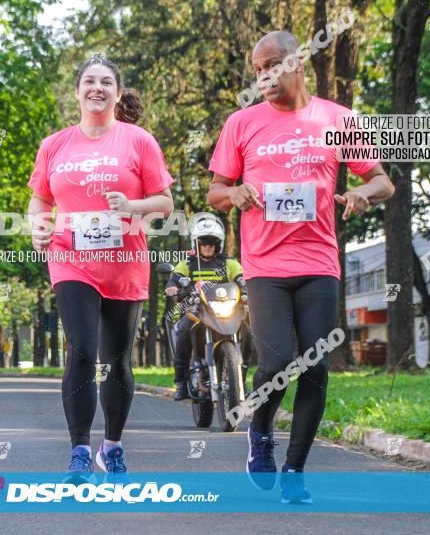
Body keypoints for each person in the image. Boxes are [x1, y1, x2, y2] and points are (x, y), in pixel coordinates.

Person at [207, 30, 394, 503]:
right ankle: (262, 428)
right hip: (266, 264)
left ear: (298, 61)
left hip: (318, 261)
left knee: (314, 368)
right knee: (275, 363)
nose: (264, 75)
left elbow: (382, 182)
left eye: (272, 64)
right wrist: (234, 193)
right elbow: (216, 193)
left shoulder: (338, 119)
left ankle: (295, 471)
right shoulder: (242, 123)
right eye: (256, 69)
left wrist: (359, 193)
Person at [27, 56, 174, 481]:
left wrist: (132, 206)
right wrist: (37, 227)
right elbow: (41, 198)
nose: (97, 87)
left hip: (124, 262)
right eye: (89, 81)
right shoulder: (54, 145)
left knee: (117, 359)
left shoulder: (138, 141)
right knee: (81, 351)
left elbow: (165, 203)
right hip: (71, 259)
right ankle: (78, 450)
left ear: (116, 92)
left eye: (106, 82)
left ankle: (112, 445)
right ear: (76, 92)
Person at [164, 213, 243, 400]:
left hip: (225, 311)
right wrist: (173, 288)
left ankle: (241, 378)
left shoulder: (229, 263)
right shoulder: (187, 264)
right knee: (182, 330)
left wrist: (246, 287)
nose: (207, 246)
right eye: (203, 242)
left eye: (212, 242)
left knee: (248, 329)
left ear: (219, 243)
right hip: (196, 311)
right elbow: (173, 279)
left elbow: (241, 278)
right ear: (196, 243)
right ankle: (181, 383)